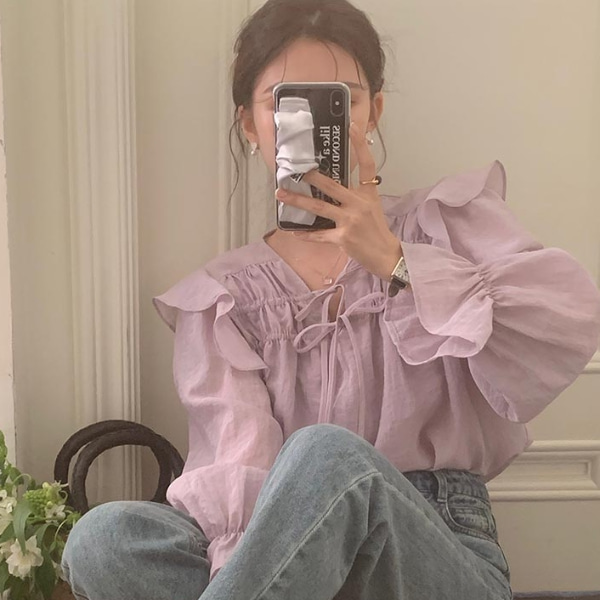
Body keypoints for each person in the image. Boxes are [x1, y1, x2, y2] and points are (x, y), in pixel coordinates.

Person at [61, 1, 600, 599]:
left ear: (373, 112)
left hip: (437, 543)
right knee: (105, 538)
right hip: (284, 550)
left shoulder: (444, 226)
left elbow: (564, 323)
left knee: (326, 455)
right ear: (249, 124)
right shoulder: (225, 300)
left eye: (341, 100)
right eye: (287, 104)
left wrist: (396, 262)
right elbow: (240, 470)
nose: (317, 125)